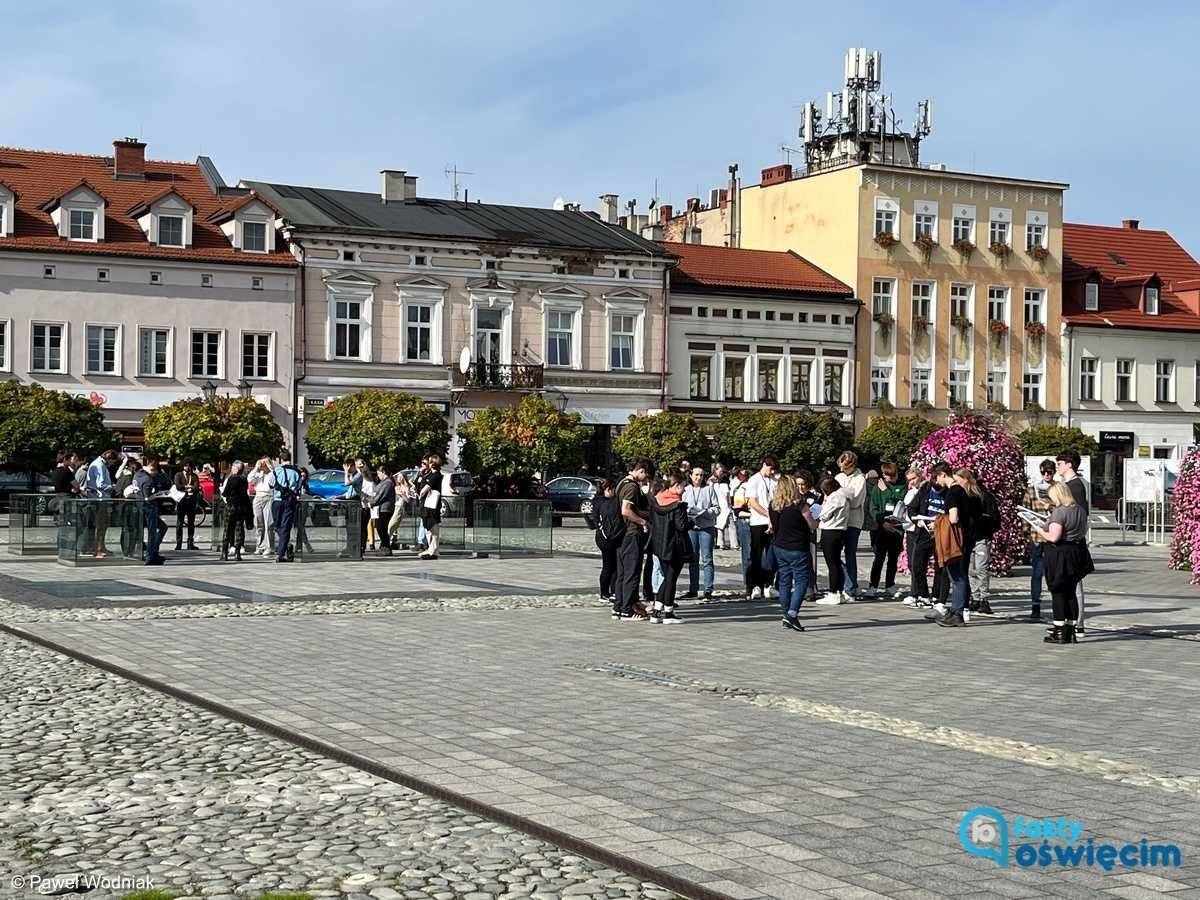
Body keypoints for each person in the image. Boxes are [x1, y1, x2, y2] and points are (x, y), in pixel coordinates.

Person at [1035, 482, 1094, 645]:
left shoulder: (1060, 513)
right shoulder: (1080, 510)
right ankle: (1071, 629)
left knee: (1058, 591)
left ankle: (1059, 630)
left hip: (1060, 554)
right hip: (1076, 552)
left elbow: (1053, 537)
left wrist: (1039, 529)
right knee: (1071, 591)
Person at [934, 464, 979, 628]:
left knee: (957, 576)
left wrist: (940, 520)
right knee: (960, 575)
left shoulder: (953, 492)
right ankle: (956, 610)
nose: (937, 481)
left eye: (937, 477)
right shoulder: (963, 490)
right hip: (967, 538)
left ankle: (957, 613)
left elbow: (953, 518)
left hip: (957, 539)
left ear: (942, 474)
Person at [769, 473, 816, 631]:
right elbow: (812, 524)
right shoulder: (800, 504)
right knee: (802, 580)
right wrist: (818, 521)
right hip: (797, 547)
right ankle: (792, 614)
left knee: (784, 580)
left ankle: (785, 614)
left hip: (780, 546)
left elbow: (773, 526)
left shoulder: (773, 505)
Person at [1055, 449, 1091, 633]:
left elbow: (1080, 514)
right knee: (1068, 582)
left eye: (1060, 463)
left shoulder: (1075, 486)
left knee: (1074, 582)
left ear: (1069, 464)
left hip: (1072, 540)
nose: (1057, 466)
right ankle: (1072, 620)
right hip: (1064, 538)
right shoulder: (1065, 484)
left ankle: (1078, 622)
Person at [649, 471, 692, 624]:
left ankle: (656, 611)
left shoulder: (657, 499)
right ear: (675, 485)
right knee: (671, 579)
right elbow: (681, 526)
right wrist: (692, 522)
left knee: (667, 578)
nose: (684, 489)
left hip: (660, 544)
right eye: (682, 486)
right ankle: (668, 613)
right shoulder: (678, 505)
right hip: (675, 546)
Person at [613, 459, 653, 621]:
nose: (645, 480)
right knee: (632, 571)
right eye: (646, 476)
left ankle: (619, 606)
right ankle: (627, 609)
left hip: (622, 534)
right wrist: (643, 522)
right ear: (641, 471)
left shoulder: (621, 482)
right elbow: (626, 510)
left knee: (622, 572)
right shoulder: (631, 486)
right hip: (631, 533)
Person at [865, 462, 906, 598]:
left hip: (896, 527)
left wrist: (886, 491)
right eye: (889, 476)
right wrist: (882, 522)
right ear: (883, 475)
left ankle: (890, 585)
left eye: (894, 476)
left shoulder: (901, 486)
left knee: (893, 558)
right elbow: (873, 508)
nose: (892, 478)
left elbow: (900, 501)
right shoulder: (877, 488)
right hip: (881, 528)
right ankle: (873, 585)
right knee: (879, 558)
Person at [1023, 459, 1057, 621]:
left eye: (1049, 472)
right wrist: (1026, 532)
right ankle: (1035, 605)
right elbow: (1025, 512)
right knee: (1037, 573)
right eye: (1044, 472)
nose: (1047, 475)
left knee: (1053, 573)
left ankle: (1057, 604)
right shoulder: (1032, 491)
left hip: (1054, 536)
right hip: (1036, 536)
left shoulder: (1058, 489)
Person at [743, 456, 780, 600]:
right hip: (758, 522)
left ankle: (769, 584)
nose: (772, 472)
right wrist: (768, 515)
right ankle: (756, 585)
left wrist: (774, 517)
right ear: (764, 465)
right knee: (756, 555)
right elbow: (752, 502)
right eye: (770, 469)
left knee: (772, 554)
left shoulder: (775, 480)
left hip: (773, 522)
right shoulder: (754, 480)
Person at [682, 465, 719, 600]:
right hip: (692, 527)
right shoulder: (685, 490)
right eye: (696, 475)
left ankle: (708, 589)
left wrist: (706, 512)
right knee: (693, 558)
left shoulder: (709, 489)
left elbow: (716, 508)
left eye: (701, 475)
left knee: (707, 558)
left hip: (706, 527)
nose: (699, 477)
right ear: (691, 475)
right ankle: (693, 588)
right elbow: (682, 507)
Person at [834, 451, 867, 599]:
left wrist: (841, 495)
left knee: (850, 553)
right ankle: (844, 581)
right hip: (837, 520)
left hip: (853, 521)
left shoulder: (860, 479)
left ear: (852, 465)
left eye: (844, 467)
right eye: (840, 466)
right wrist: (845, 494)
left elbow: (855, 501)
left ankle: (851, 585)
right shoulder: (838, 477)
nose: (841, 470)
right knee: (833, 553)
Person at [815, 476, 850, 605]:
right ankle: (839, 591)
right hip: (839, 530)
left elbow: (824, 515)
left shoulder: (835, 497)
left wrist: (823, 504)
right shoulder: (843, 495)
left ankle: (833, 592)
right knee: (836, 562)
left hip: (831, 530)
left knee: (832, 564)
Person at [82, 449, 117, 558]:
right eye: (113, 461)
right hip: (100, 499)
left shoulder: (98, 463)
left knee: (102, 525)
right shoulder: (100, 465)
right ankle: (98, 548)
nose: (113, 464)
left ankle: (101, 547)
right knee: (101, 525)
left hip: (98, 498)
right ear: (109, 458)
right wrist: (113, 487)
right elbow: (101, 484)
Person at [268, 450, 302, 562]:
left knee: (277, 525)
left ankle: (281, 552)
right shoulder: (297, 472)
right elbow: (298, 487)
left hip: (277, 500)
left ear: (280, 459)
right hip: (290, 501)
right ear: (290, 458)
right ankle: (284, 548)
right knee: (285, 527)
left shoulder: (276, 471)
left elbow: (271, 485)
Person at [592, 479, 623, 603]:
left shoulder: (597, 501)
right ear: (608, 489)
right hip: (608, 537)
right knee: (610, 566)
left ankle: (608, 592)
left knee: (610, 565)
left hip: (603, 537)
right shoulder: (607, 503)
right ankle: (607, 592)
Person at [795, 470, 821, 601]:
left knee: (810, 560)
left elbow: (817, 514)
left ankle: (810, 587)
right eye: (798, 484)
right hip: (793, 533)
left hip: (809, 532)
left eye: (803, 484)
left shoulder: (814, 497)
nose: (801, 487)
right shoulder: (792, 496)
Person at [135, 460, 166, 565]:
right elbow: (148, 497)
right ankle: (151, 554)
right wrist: (160, 494)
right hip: (149, 507)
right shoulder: (148, 480)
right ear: (152, 469)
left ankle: (153, 551)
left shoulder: (137, 474)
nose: (155, 475)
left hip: (139, 506)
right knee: (152, 532)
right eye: (155, 472)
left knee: (161, 527)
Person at [220, 461, 253, 561]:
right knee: (238, 529)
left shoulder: (232, 478)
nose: (232, 469)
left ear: (236, 469)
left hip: (231, 506)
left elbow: (225, 493)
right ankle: (237, 553)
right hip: (241, 507)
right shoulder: (244, 479)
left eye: (233, 467)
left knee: (227, 529)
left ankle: (224, 553)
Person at [418, 455, 443, 560]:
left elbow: (426, 488)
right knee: (428, 528)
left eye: (429, 461)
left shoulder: (436, 475)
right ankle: (431, 549)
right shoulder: (429, 474)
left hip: (432, 505)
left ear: (433, 463)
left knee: (433, 528)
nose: (427, 463)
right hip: (426, 505)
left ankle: (434, 550)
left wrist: (421, 493)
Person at [369, 464, 397, 556]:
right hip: (380, 509)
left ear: (383, 472)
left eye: (379, 473)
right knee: (380, 527)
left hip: (385, 509)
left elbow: (381, 495)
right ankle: (384, 546)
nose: (378, 476)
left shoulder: (388, 482)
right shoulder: (383, 482)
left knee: (382, 528)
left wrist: (372, 502)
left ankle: (386, 547)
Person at [173, 460, 201, 551]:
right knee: (179, 523)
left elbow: (197, 487)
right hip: (181, 501)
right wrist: (187, 487)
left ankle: (190, 543)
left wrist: (190, 488)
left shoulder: (194, 476)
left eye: (189, 466)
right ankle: (178, 544)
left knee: (191, 523)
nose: (187, 468)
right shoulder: (178, 475)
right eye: (185, 466)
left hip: (191, 501)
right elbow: (178, 486)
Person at [249, 458, 275, 556]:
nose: (262, 466)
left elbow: (274, 479)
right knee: (258, 523)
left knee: (268, 523)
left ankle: (269, 547)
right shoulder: (258, 474)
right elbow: (250, 479)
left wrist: (269, 467)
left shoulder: (272, 473)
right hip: (258, 497)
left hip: (269, 497)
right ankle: (259, 546)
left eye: (264, 464)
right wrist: (256, 467)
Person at [730, 468, 752, 578]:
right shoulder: (741, 489)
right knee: (748, 554)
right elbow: (738, 511)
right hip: (746, 521)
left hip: (760, 522)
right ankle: (749, 584)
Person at [387, 470, 414, 550]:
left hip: (400, 507)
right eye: (397, 477)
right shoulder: (396, 487)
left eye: (400, 477)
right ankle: (392, 542)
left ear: (403, 478)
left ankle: (387, 541)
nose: (398, 478)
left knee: (391, 525)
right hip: (393, 507)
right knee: (394, 526)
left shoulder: (406, 488)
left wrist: (401, 494)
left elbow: (408, 500)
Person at [710, 464, 734, 551]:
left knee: (721, 525)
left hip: (722, 505)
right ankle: (719, 543)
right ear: (715, 470)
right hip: (716, 505)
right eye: (720, 471)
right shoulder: (711, 481)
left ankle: (721, 544)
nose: (721, 473)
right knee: (719, 525)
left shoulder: (720, 481)